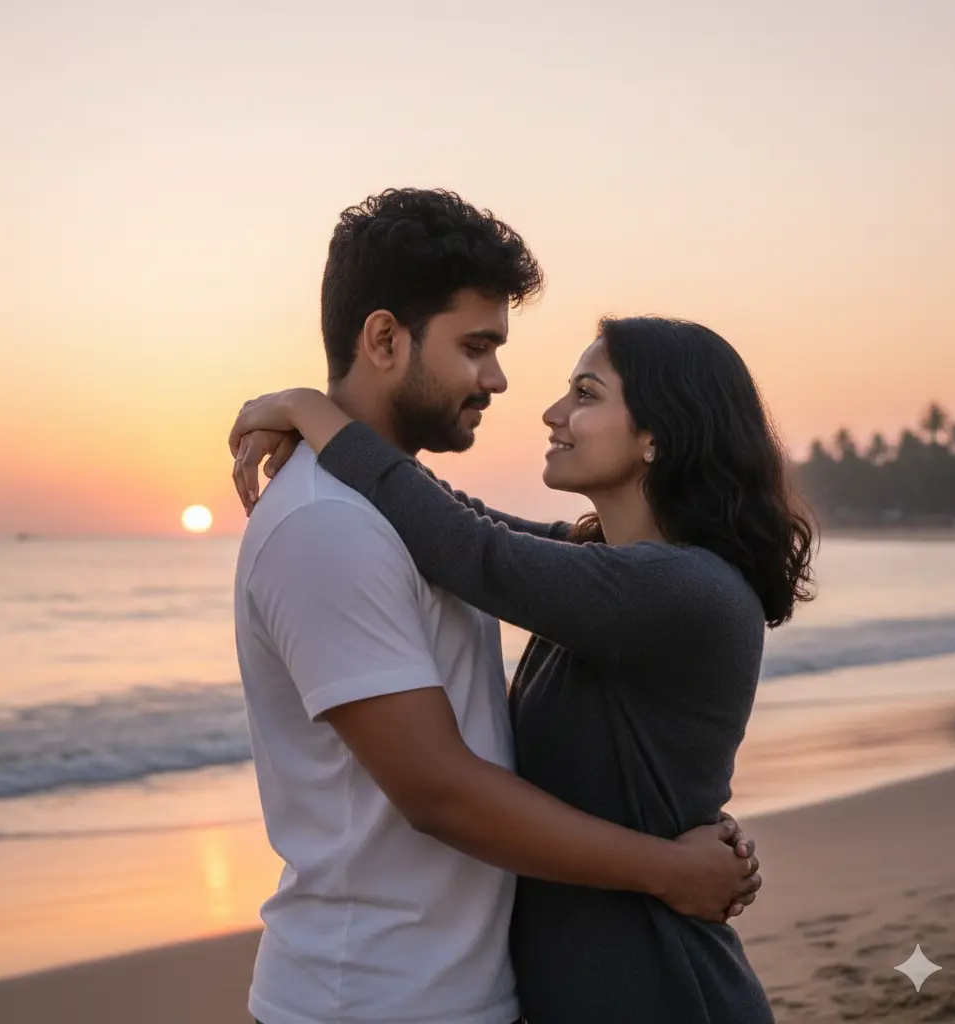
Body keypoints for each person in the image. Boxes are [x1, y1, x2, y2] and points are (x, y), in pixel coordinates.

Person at [232, 189, 763, 1024]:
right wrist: (668, 858)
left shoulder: (668, 587)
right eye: (477, 346)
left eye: (584, 394)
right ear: (383, 339)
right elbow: (469, 535)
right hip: (379, 1001)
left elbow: (472, 546)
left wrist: (314, 411)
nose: (512, 387)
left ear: (659, 435)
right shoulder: (334, 524)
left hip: (617, 987)